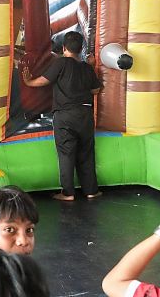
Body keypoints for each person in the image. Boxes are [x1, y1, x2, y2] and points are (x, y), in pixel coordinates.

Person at [21, 30, 103, 201]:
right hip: (85, 114)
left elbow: (44, 80)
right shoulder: (87, 68)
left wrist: (28, 81)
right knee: (86, 153)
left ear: (64, 48)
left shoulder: (61, 63)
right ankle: (91, 191)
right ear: (80, 49)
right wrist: (92, 67)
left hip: (65, 116)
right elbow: (96, 90)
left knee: (66, 153)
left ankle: (67, 193)